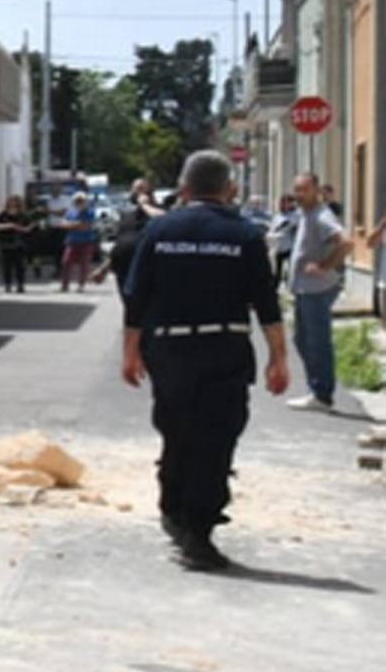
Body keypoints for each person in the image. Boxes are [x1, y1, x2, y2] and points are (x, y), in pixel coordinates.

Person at [120, 149, 288, 572]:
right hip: (224, 347)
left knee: (177, 430)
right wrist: (278, 358)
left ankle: (174, 504)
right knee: (216, 438)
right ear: (229, 188)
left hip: (170, 351)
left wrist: (130, 353)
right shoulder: (246, 235)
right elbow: (266, 304)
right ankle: (198, 527)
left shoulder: (160, 231)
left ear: (183, 188)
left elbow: (136, 299)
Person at [285, 171, 347, 411]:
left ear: (316, 190)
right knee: (302, 339)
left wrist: (324, 266)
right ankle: (316, 388)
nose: (298, 194)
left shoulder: (322, 216)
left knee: (317, 340)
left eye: (304, 189)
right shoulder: (306, 214)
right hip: (305, 289)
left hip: (316, 290)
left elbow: (346, 242)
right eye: (297, 189)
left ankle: (322, 393)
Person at [57, 191, 100, 292]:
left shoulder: (90, 212)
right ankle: (65, 285)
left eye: (81, 200)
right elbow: (62, 224)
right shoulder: (70, 211)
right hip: (72, 241)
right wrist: (76, 225)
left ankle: (81, 285)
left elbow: (85, 226)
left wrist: (71, 225)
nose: (79, 202)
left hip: (87, 242)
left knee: (84, 264)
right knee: (66, 262)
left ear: (85, 201)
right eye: (77, 200)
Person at [0, 195, 33, 294]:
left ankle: (20, 285)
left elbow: (29, 228)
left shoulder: (23, 215)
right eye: (11, 201)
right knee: (6, 267)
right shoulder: (3, 214)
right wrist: (10, 225)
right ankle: (8, 285)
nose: (13, 203)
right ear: (8, 203)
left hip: (19, 245)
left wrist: (20, 229)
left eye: (15, 202)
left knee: (20, 267)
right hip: (6, 244)